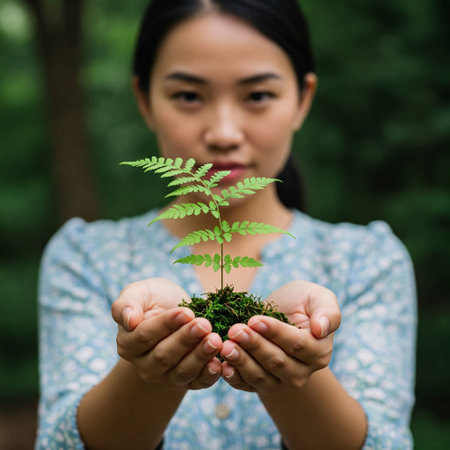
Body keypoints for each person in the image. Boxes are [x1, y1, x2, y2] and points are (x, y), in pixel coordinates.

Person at [36, 0, 417, 448]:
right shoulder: (87, 256)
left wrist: (297, 369)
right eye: (189, 96)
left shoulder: (367, 260)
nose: (223, 132)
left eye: (257, 95)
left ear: (302, 98)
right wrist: (151, 372)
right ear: (144, 99)